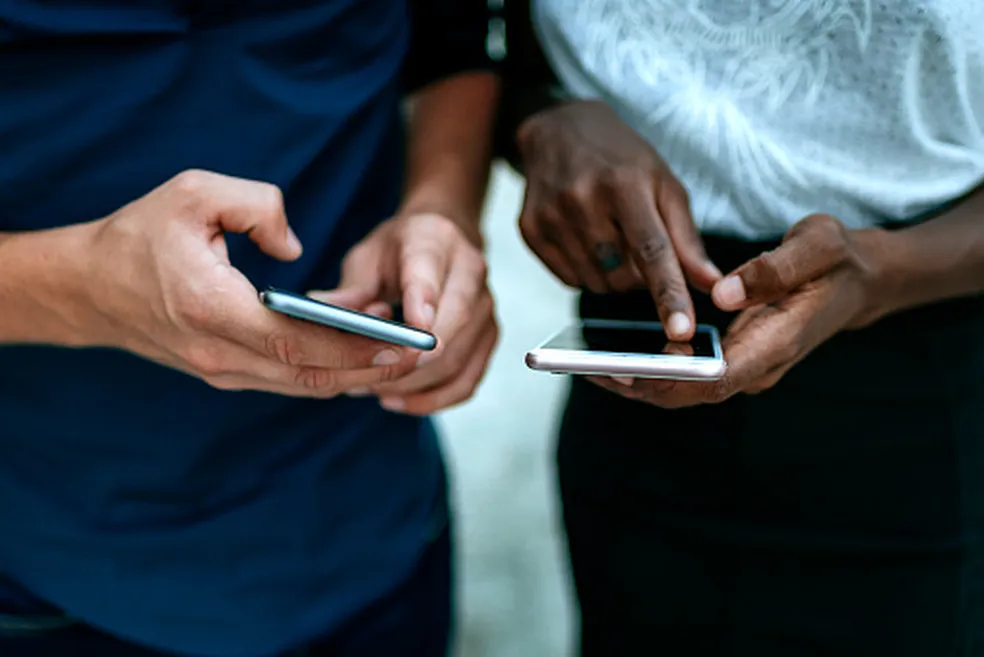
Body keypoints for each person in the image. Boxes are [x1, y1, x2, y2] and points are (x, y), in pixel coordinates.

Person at [0, 1, 499, 656]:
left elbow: (449, 49)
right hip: (50, 550)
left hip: (370, 514)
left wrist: (442, 210)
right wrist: (84, 287)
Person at [502, 1, 984, 655]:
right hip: (633, 392)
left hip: (910, 391)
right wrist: (540, 116)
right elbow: (475, 48)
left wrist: (879, 271)